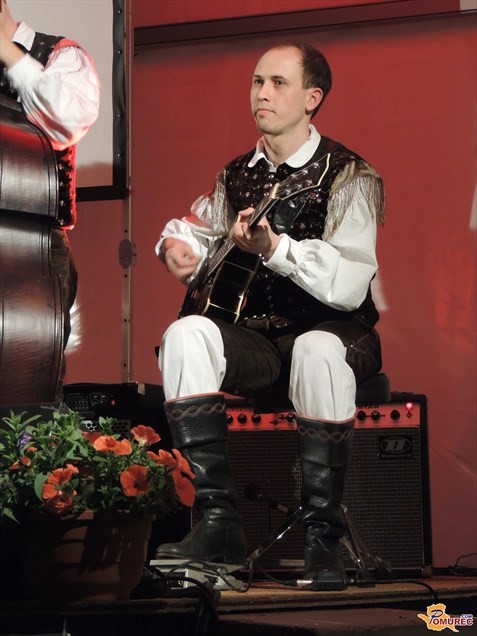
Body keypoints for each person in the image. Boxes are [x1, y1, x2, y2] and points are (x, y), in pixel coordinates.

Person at [154, 41, 385, 591]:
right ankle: (219, 523)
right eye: (257, 81)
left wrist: (276, 249)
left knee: (316, 348)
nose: (262, 93)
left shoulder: (350, 174)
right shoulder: (237, 174)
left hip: (337, 334)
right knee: (185, 334)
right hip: (260, 343)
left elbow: (349, 284)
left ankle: (323, 537)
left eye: (278, 83)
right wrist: (176, 248)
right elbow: (200, 229)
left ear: (312, 98)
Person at [0, 0, 100, 360]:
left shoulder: (60, 55)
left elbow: (66, 118)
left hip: (33, 248)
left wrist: (8, 54)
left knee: (29, 370)